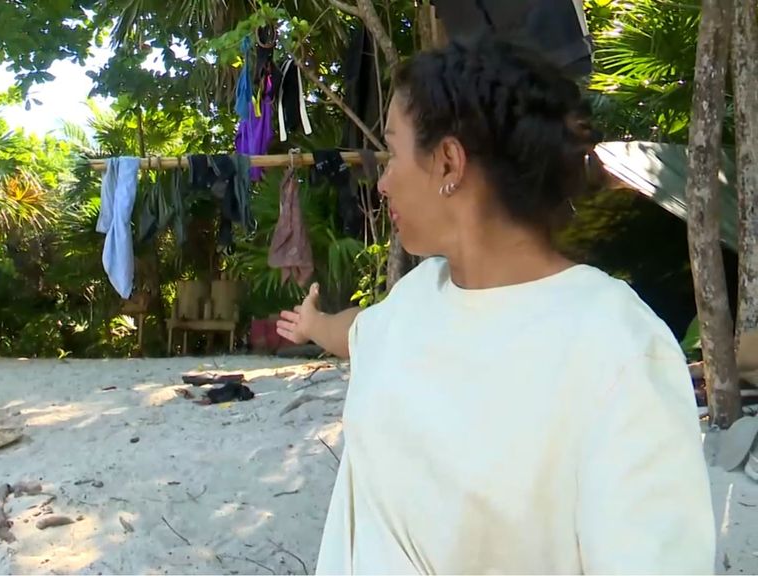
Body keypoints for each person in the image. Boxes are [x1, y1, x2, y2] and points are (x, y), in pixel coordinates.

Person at [277, 37, 715, 574]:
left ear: (448, 162)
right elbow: (362, 333)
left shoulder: (617, 346)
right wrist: (314, 323)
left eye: (393, 152)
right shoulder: (416, 298)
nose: (383, 182)